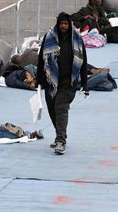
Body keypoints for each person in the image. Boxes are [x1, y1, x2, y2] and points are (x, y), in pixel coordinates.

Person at [37, 12, 89, 155]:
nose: (63, 26)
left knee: (61, 108)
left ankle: (61, 141)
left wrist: (85, 84)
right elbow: (41, 60)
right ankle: (59, 134)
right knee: (52, 110)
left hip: (68, 83)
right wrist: (39, 79)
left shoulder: (77, 39)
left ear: (70, 24)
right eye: (61, 24)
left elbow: (83, 62)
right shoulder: (49, 38)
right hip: (51, 82)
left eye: (66, 24)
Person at [5, 64, 117, 92]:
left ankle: (102, 76)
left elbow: (28, 72)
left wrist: (29, 84)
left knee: (79, 84)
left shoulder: (16, 75)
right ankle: (105, 81)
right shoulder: (15, 75)